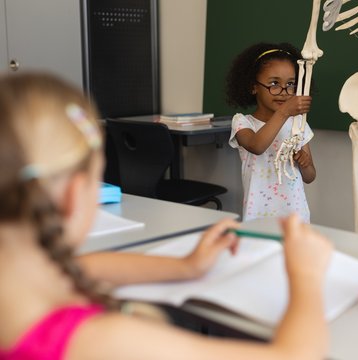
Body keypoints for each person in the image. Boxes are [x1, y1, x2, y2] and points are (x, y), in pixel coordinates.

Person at [0, 73, 333, 359]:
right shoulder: (96, 340)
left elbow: (86, 267)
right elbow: (295, 355)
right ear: (74, 196)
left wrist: (186, 266)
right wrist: (306, 277)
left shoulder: (24, 276)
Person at [226, 42, 316, 223]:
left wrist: (305, 164)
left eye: (290, 84)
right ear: (253, 87)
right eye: (274, 83)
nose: (284, 92)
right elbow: (256, 145)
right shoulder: (242, 122)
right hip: (258, 215)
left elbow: (310, 176)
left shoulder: (297, 124)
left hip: (295, 216)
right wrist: (284, 112)